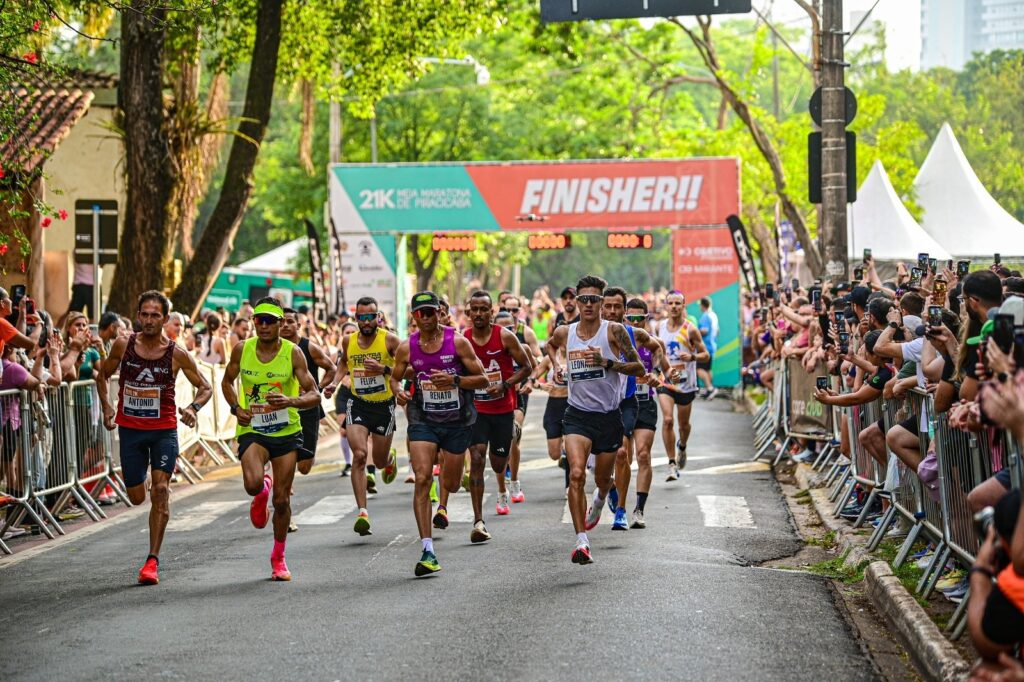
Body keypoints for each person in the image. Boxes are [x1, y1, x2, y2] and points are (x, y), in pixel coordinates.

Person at [95, 290, 213, 585]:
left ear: (165, 318)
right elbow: (101, 374)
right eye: (144, 315)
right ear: (138, 316)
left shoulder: (177, 353)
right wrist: (108, 407)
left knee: (160, 491)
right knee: (137, 498)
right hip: (131, 430)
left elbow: (206, 387)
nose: (148, 320)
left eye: (155, 315)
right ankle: (145, 479)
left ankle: (151, 561)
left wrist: (193, 408)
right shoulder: (124, 345)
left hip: (163, 430)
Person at [544, 275, 645, 564]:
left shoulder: (614, 332)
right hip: (576, 415)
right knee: (575, 473)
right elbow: (551, 346)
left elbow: (638, 366)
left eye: (594, 299)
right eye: (583, 299)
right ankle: (581, 541)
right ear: (576, 301)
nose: (588, 304)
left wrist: (608, 363)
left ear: (602, 303)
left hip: (608, 417)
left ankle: (601, 500)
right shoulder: (566, 332)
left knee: (603, 479)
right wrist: (558, 365)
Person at [221, 298, 320, 581]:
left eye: (269, 321)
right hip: (253, 428)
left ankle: (278, 557)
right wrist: (235, 409)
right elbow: (227, 382)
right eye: (258, 320)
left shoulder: (293, 354)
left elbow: (314, 394)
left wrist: (289, 400)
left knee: (282, 501)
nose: (263, 326)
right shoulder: (243, 349)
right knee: (252, 485)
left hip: (286, 431)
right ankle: (262, 486)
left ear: (280, 324)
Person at [389, 291, 488, 577]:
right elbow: (395, 378)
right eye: (421, 313)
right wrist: (398, 392)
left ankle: (449, 488)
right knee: (422, 477)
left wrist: (455, 379)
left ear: (439, 313)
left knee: (453, 483)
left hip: (457, 420)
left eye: (431, 312)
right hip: (423, 418)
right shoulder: (407, 347)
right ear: (414, 317)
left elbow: (482, 378)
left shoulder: (457, 342)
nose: (427, 318)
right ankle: (428, 548)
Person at [457, 291, 532, 542]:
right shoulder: (462, 339)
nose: (478, 314)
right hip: (476, 411)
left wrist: (505, 384)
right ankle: (478, 521)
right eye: (474, 309)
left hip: (502, 410)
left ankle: (510, 436)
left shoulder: (505, 337)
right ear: (469, 313)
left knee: (499, 464)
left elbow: (527, 367)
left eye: (483, 309)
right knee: (476, 459)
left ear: (491, 312)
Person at [324, 297, 400, 536]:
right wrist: (334, 384)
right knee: (359, 455)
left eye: (372, 316)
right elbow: (343, 364)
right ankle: (362, 513)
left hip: (383, 406)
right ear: (356, 319)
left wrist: (385, 370)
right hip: (358, 404)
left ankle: (389, 460)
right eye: (362, 317)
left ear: (378, 317)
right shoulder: (348, 341)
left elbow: (407, 368)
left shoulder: (389, 340)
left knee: (377, 461)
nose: (367, 321)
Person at [601, 286, 663, 531]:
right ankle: (613, 490)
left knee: (641, 454)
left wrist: (656, 372)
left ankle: (634, 509)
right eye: (609, 306)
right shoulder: (593, 333)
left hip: (639, 400)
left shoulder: (635, 335)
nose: (613, 311)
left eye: (618, 307)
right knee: (617, 455)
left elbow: (658, 349)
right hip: (607, 403)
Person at [656, 291, 709, 480]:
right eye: (670, 303)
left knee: (683, 425)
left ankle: (683, 447)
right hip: (667, 382)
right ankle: (671, 463)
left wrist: (693, 356)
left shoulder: (690, 329)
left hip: (686, 384)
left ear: (683, 306)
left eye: (677, 303)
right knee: (668, 420)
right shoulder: (659, 327)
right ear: (666, 306)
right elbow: (655, 352)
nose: (674, 307)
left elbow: (706, 354)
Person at [280, 308, 336, 480]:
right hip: (283, 409)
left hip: (307, 409)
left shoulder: (309, 347)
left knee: (304, 467)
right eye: (281, 322)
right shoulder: (271, 349)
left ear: (298, 325)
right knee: (281, 454)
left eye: (290, 321)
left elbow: (331, 369)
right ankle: (283, 481)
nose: (285, 325)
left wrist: (316, 388)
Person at [624, 297, 664, 528]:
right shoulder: (617, 340)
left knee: (643, 455)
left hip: (645, 403)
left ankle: (639, 509)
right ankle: (617, 502)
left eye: (641, 318)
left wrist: (658, 373)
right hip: (622, 404)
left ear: (647, 318)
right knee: (622, 456)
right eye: (632, 318)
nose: (636, 322)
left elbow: (663, 364)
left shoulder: (653, 342)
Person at [500, 295, 541, 504]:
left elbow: (536, 364)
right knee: (498, 443)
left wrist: (531, 382)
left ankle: (514, 480)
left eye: (515, 313)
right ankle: (502, 486)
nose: (508, 328)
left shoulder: (524, 340)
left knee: (513, 435)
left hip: (516, 396)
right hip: (494, 399)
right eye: (503, 326)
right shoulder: (485, 343)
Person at [697, 296, 719, 399]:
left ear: (703, 305)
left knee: (699, 369)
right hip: (712, 346)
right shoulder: (714, 315)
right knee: (708, 369)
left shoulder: (706, 316)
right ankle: (710, 389)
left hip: (705, 347)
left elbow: (704, 330)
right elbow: (717, 331)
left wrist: (695, 333)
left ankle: (710, 388)